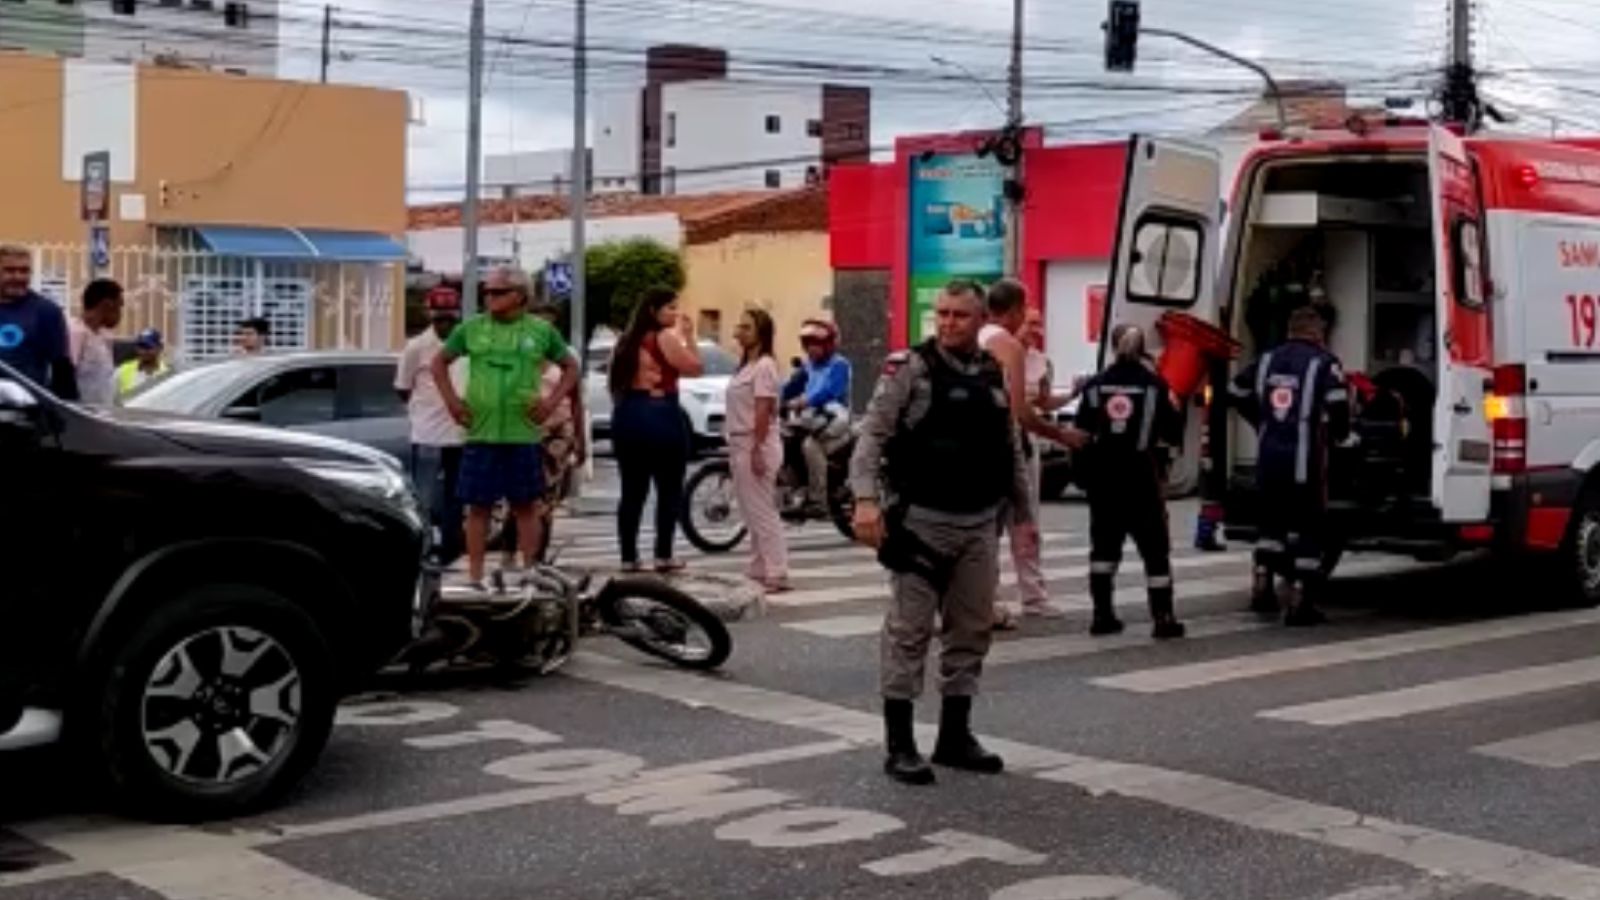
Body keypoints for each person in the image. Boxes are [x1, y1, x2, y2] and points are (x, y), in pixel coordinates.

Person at [851, 279, 1033, 786]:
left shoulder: (991, 370)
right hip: (922, 523)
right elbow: (873, 435)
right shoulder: (909, 368)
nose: (949, 322)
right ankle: (901, 745)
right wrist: (866, 501)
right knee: (909, 632)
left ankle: (955, 736)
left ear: (980, 321)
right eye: (943, 313)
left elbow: (1009, 443)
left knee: (970, 630)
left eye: (960, 315)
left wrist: (1024, 510)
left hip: (979, 522)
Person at [431, 266, 578, 592]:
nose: (489, 297)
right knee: (478, 506)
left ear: (520, 296)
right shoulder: (471, 329)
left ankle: (529, 572)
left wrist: (551, 402)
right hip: (481, 432)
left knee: (527, 506)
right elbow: (438, 363)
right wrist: (453, 403)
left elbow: (571, 367)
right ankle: (475, 576)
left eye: (497, 292)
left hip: (523, 432)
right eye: (487, 291)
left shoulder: (541, 331)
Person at [1229, 305, 1351, 626]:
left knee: (1271, 525)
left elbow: (1235, 390)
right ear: (1317, 332)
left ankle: (1262, 585)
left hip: (1268, 457)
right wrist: (1342, 436)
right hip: (1306, 460)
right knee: (1310, 525)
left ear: (1289, 330)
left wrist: (1261, 420)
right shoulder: (1325, 363)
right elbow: (1338, 404)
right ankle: (1300, 602)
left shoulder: (1267, 359)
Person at [978, 279, 1083, 622]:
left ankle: (996, 600)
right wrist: (1061, 434)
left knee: (992, 526)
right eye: (1029, 316)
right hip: (1008, 445)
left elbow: (1035, 401)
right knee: (1018, 521)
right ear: (1016, 311)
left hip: (986, 447)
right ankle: (1010, 600)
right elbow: (1019, 410)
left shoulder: (973, 341)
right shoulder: (1008, 346)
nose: (1034, 326)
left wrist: (1067, 398)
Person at [1074, 325, 1187, 640]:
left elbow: (1081, 434)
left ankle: (1102, 615)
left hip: (1104, 476)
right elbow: (1173, 432)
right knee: (1154, 548)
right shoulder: (1155, 386)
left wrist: (1082, 475)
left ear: (1112, 347)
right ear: (1142, 350)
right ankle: (1163, 617)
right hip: (1141, 474)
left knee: (1104, 547)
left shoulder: (1095, 387)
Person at [608, 287, 703, 573]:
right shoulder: (663, 338)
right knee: (669, 487)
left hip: (628, 414)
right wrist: (689, 337)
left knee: (632, 490)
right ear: (653, 311)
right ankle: (663, 554)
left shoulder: (625, 341)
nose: (675, 314)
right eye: (670, 308)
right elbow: (694, 368)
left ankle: (628, 556)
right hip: (660, 411)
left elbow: (614, 384)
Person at [499, 296, 589, 570]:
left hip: (557, 437)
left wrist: (581, 440)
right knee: (517, 498)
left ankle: (537, 559)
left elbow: (576, 400)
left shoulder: (566, 358)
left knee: (546, 501)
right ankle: (509, 552)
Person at [398, 285, 468, 566]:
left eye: (449, 318)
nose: (445, 324)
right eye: (440, 318)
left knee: (457, 497)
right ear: (431, 316)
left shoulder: (467, 344)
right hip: (426, 433)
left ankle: (451, 550)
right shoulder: (416, 347)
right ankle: (422, 550)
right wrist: (424, 407)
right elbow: (402, 387)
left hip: (460, 433)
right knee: (423, 498)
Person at [728, 308, 789, 593]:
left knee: (762, 510)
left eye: (747, 327)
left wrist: (756, 449)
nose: (740, 331)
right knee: (750, 510)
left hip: (756, 442)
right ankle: (758, 566)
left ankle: (776, 569)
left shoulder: (764, 366)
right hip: (740, 441)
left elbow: (763, 410)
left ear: (760, 333)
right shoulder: (745, 366)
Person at [787, 319, 852, 516]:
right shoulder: (807, 366)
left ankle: (818, 501)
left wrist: (805, 401)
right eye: (808, 344)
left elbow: (830, 391)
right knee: (787, 439)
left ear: (828, 344)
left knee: (810, 446)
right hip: (812, 418)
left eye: (816, 344)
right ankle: (798, 488)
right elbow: (789, 387)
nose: (811, 349)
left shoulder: (839, 365)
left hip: (835, 418)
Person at [0, 245, 76, 399]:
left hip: (27, 411)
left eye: (24, 271)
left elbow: (61, 368)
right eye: (9, 270)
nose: (18, 277)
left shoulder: (46, 312)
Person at [67, 279, 123, 407]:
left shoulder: (104, 337)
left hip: (104, 415)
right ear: (107, 305)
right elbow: (66, 378)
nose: (120, 314)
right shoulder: (76, 332)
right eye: (119, 306)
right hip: (82, 416)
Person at [116, 329, 169, 396]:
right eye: (140, 347)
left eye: (148, 347)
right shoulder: (123, 370)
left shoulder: (167, 376)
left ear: (159, 349)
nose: (142, 351)